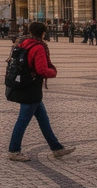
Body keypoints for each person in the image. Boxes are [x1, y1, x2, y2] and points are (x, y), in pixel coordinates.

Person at [7, 21, 73, 161]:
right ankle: (14, 150)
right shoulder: (38, 47)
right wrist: (53, 72)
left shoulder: (22, 42)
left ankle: (57, 148)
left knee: (43, 119)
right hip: (31, 88)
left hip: (23, 85)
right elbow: (41, 69)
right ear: (43, 33)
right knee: (22, 120)